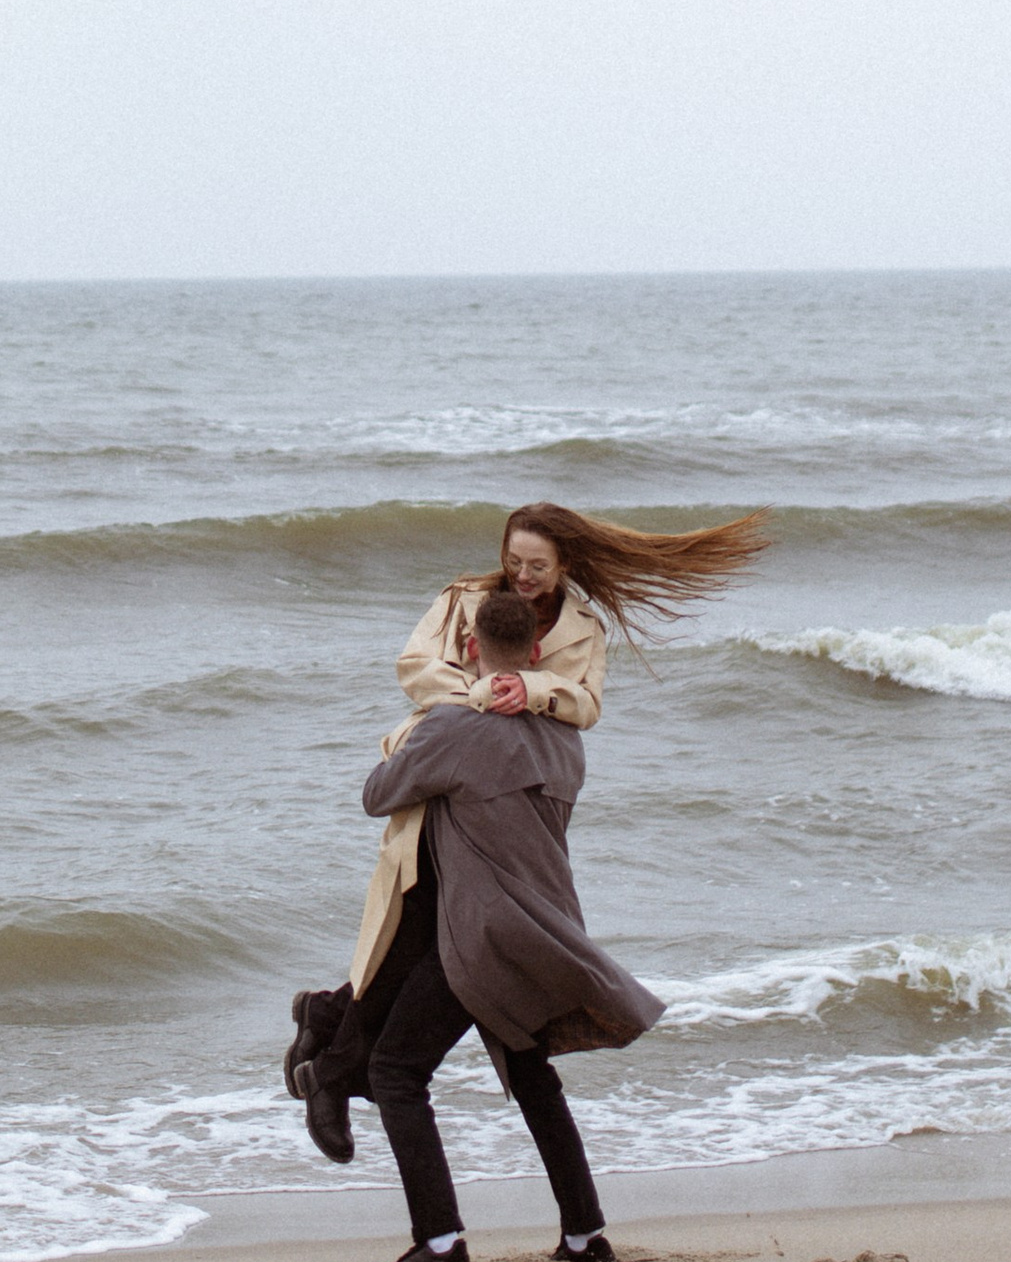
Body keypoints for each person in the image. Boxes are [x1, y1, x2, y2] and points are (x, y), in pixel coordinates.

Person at [283, 497, 766, 1168]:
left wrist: (532, 689)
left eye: (536, 565)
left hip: (506, 810)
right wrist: (477, 695)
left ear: (564, 562)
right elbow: (415, 668)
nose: (522, 575)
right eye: (513, 561)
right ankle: (335, 1068)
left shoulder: (582, 630)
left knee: (429, 959)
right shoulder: (463, 599)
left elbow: (584, 703)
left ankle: (331, 1037)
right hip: (441, 786)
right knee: (406, 937)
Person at [352, 582, 663, 1262]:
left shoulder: (454, 729)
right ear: (533, 654)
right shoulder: (564, 740)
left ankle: (440, 1247)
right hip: (548, 932)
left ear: (467, 651)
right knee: (531, 1075)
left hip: (482, 939)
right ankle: (586, 1235)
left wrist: (425, 725)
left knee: (396, 1074)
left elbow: (377, 794)